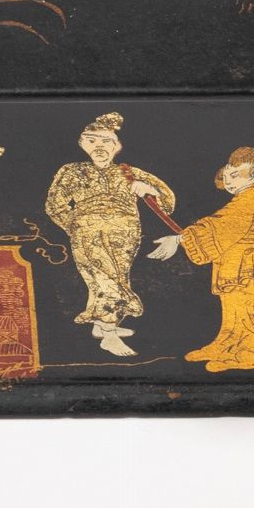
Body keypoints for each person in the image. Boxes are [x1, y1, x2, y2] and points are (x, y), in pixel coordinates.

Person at [146, 146, 254, 372]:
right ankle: (228, 345)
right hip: (235, 259)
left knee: (251, 309)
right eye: (226, 177)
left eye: (235, 175)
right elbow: (223, 222)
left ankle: (252, 350)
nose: (229, 182)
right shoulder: (247, 195)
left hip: (252, 261)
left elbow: (226, 223)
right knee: (234, 310)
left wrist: (179, 239)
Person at [41, 113, 176, 356]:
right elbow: (54, 205)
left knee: (115, 279)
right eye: (92, 141)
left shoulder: (129, 172)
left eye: (106, 141)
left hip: (126, 236)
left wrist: (149, 189)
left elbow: (168, 202)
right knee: (106, 280)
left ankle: (101, 326)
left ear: (117, 146)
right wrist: (77, 226)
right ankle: (109, 335)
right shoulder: (72, 171)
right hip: (88, 233)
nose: (99, 147)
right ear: (82, 143)